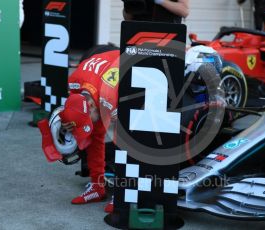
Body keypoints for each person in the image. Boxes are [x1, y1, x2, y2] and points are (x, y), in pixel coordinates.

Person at [60, 48, 119, 204]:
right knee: (94, 136)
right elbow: (73, 108)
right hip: (98, 78)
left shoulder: (109, 92)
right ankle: (97, 187)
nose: (90, 123)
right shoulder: (73, 83)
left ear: (92, 104)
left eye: (89, 119)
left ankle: (124, 193)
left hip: (128, 69)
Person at [122, 0, 189, 23]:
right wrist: (129, 5)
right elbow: (127, 18)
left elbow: (184, 11)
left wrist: (160, 1)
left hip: (168, 36)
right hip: (139, 34)